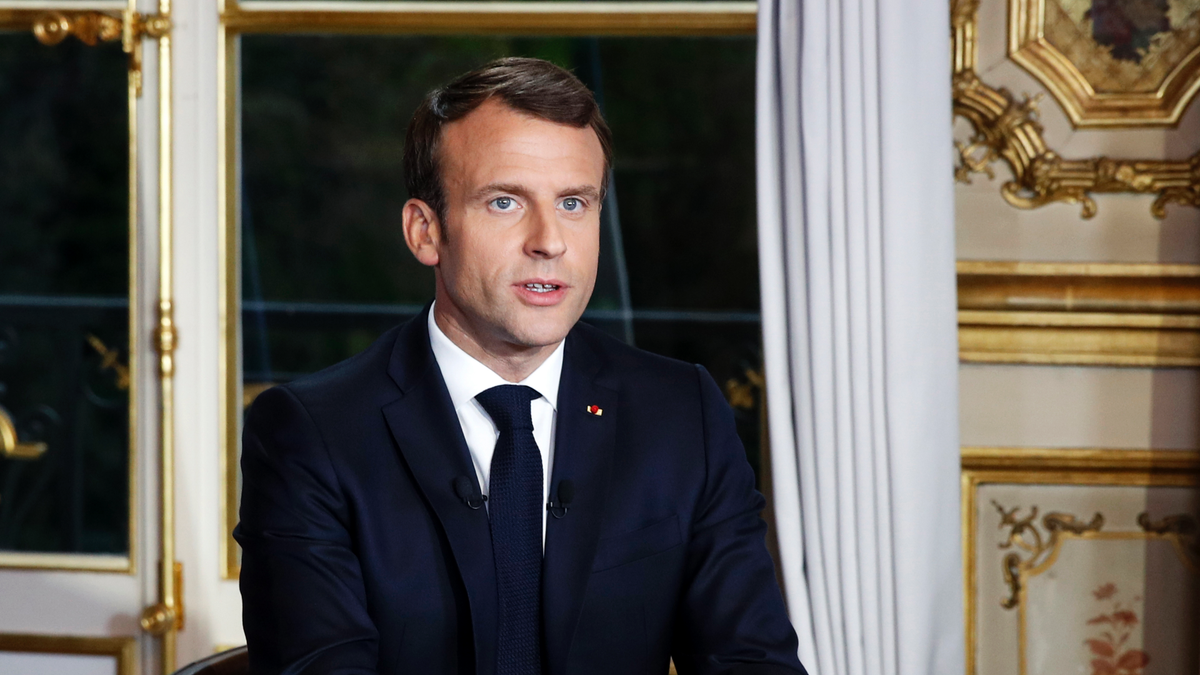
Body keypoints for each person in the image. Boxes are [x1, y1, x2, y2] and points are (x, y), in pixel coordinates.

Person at [236, 57, 805, 675]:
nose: (550, 241)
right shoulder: (311, 434)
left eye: (573, 203)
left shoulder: (680, 412)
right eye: (505, 202)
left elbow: (753, 661)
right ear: (425, 231)